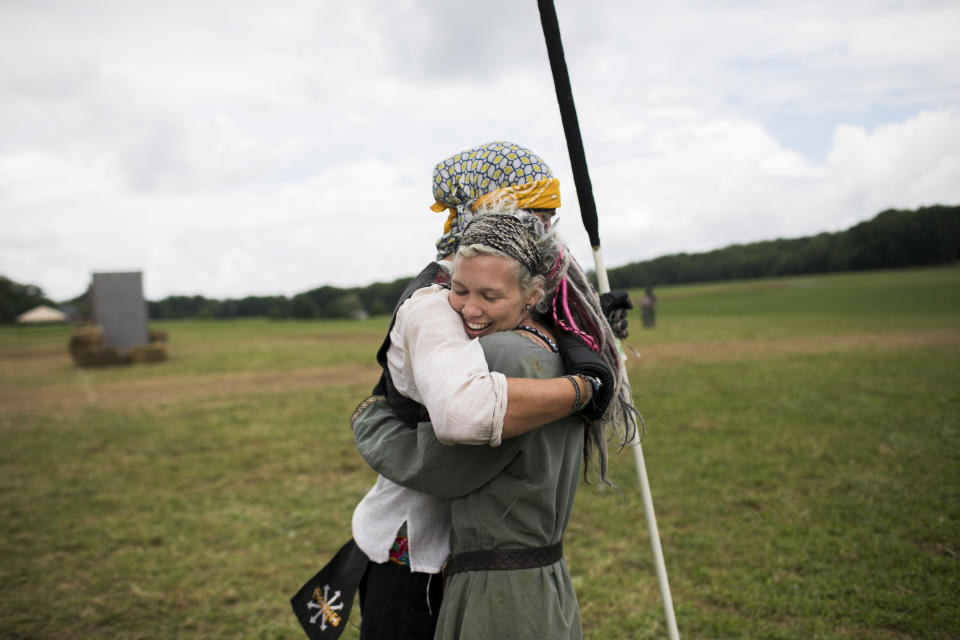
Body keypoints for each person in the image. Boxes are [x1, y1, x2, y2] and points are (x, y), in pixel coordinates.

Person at [348, 142, 619, 640]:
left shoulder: (533, 301)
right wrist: (585, 387)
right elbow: (464, 416)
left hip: (481, 557)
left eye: (548, 216)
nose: (543, 231)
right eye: (529, 214)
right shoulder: (435, 307)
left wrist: (593, 325)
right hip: (417, 552)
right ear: (484, 213)